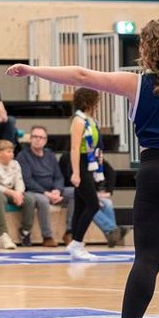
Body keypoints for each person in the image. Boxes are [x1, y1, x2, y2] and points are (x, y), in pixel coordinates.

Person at [6, 20, 159, 318]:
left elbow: (82, 75)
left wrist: (33, 70)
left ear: (147, 48)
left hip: (156, 174)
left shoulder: (138, 84)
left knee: (148, 260)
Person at [61, 88, 104, 262]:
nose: (97, 104)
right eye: (95, 101)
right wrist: (76, 173)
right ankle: (77, 243)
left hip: (89, 164)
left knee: (80, 206)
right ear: (88, 101)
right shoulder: (78, 120)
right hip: (80, 164)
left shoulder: (91, 120)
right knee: (93, 205)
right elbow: (74, 148)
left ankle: (75, 244)